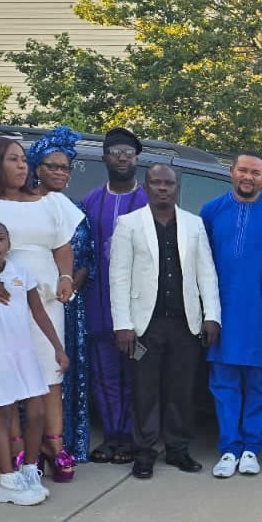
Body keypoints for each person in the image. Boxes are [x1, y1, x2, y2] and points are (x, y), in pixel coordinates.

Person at [0, 137, 85, 484]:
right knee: (8, 378)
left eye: (24, 159)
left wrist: (66, 277)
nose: (23, 165)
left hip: (45, 299)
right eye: (13, 159)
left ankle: (55, 445)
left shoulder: (49, 202)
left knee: (49, 374)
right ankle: (19, 448)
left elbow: (63, 246)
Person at [109, 164, 222, 479]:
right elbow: (118, 276)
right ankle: (144, 452)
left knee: (181, 390)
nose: (162, 188)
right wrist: (122, 324)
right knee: (145, 390)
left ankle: (177, 449)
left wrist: (212, 315)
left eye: (168, 183)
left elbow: (206, 273)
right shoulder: (129, 224)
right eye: (156, 183)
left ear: (176, 188)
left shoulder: (193, 224)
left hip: (185, 322)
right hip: (144, 324)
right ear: (145, 187)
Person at [0, 219, 68, 505]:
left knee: (37, 414)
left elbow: (39, 312)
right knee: (3, 419)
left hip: (25, 355)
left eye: (1, 238)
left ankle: (29, 470)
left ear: (9, 243)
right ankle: (7, 480)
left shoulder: (21, 273)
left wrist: (58, 348)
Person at [201, 151, 262, 478]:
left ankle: (251, 448)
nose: (248, 177)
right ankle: (229, 448)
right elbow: (202, 265)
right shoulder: (211, 211)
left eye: (256, 173)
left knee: (259, 386)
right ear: (231, 172)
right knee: (224, 385)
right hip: (222, 313)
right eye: (243, 171)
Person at [79, 128, 149, 464]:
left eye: (128, 153)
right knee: (104, 375)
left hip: (139, 306)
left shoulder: (150, 201)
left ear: (137, 160)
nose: (122, 158)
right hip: (99, 304)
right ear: (105, 157)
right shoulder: (90, 202)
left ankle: (134, 437)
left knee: (136, 375)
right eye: (116, 152)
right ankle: (112, 436)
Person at [28, 126, 94, 463]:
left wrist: (72, 285)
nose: (59, 172)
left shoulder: (73, 209)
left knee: (63, 375)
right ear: (36, 167)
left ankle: (63, 445)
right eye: (52, 166)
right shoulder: (22, 205)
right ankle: (29, 446)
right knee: (34, 374)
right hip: (32, 303)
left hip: (69, 304)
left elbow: (87, 258)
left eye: (65, 167)